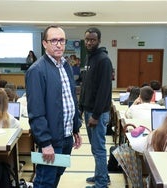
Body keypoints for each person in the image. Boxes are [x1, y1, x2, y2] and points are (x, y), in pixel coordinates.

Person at [25, 25, 82, 188]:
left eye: (62, 40)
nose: (58, 44)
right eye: (54, 40)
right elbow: (36, 112)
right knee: (45, 181)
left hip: (66, 137)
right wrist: (45, 143)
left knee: (57, 175)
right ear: (44, 43)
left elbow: (71, 99)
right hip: (51, 140)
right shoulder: (36, 70)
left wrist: (76, 128)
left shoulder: (66, 66)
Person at [79, 27, 113, 188]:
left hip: (97, 114)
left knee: (98, 149)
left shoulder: (103, 60)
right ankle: (101, 175)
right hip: (89, 111)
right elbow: (85, 86)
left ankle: (101, 183)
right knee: (95, 148)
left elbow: (104, 90)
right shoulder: (89, 58)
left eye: (92, 39)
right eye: (87, 39)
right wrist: (80, 108)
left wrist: (96, 115)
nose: (89, 42)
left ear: (99, 41)